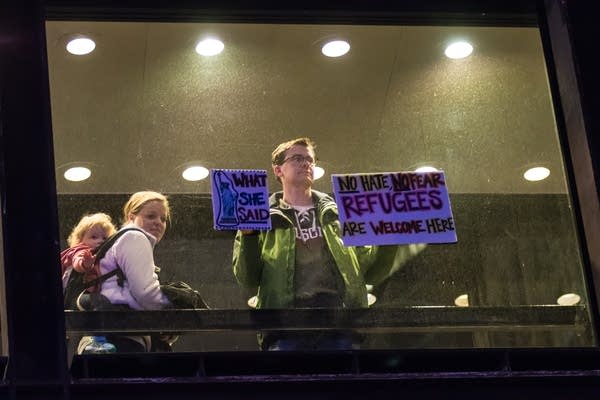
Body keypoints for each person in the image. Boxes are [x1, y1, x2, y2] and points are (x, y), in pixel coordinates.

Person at [232, 137, 425, 350]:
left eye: (310, 160)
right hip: (285, 327)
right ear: (278, 170)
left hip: (339, 323)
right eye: (297, 158)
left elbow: (371, 272)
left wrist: (390, 238)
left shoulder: (341, 214)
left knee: (341, 381)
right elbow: (247, 277)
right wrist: (248, 235)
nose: (306, 163)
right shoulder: (260, 218)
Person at [77, 191, 175, 353]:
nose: (158, 222)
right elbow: (146, 293)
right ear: (131, 217)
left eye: (163, 219)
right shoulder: (135, 237)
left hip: (110, 337)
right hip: (121, 340)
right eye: (151, 216)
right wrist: (170, 319)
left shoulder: (122, 240)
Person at [61, 212, 118, 353]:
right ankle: (98, 342)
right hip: (76, 298)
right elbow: (77, 263)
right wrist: (86, 263)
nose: (100, 240)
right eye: (93, 237)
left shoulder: (105, 257)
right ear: (80, 240)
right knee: (99, 302)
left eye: (105, 238)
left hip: (91, 297)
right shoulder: (81, 251)